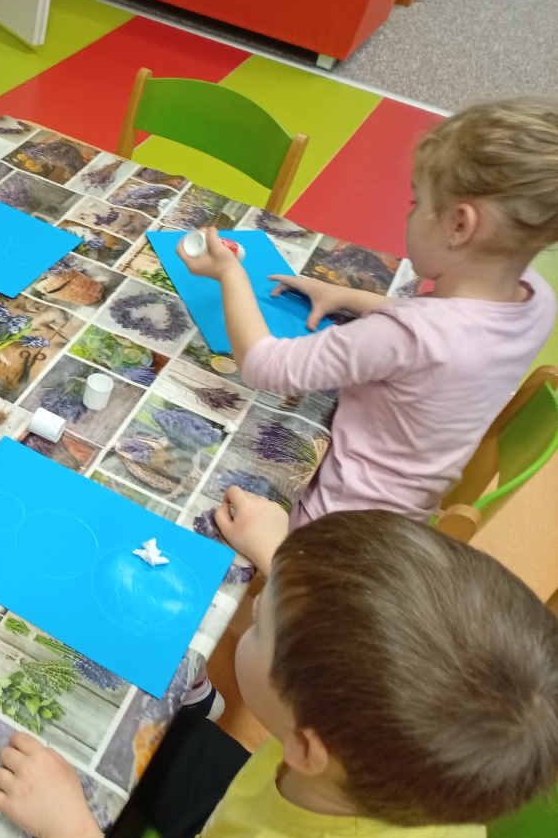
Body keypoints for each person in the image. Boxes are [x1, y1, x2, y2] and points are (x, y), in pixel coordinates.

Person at [0, 488, 558, 838]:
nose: (255, 607)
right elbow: (376, 629)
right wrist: (286, 559)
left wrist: (69, 828)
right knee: (161, 728)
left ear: (306, 747)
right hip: (258, 797)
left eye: (263, 623)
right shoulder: (418, 769)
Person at [178, 99, 558, 527]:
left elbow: (265, 367)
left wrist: (229, 274)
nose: (409, 213)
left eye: (416, 202)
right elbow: (448, 335)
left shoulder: (404, 336)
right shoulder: (537, 299)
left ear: (460, 225)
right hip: (406, 510)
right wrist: (349, 296)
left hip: (333, 523)